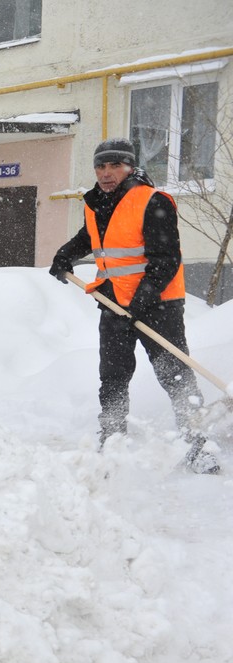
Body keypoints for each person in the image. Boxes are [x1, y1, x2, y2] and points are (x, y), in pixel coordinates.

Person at [50, 137, 219, 474]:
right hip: (112, 300)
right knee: (112, 375)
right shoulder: (97, 203)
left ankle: (199, 446)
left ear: (130, 166)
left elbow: (166, 260)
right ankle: (112, 439)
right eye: (101, 165)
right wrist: (65, 255)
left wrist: (140, 302)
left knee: (175, 375)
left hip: (158, 305)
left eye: (115, 165)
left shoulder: (153, 201)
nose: (107, 172)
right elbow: (91, 237)